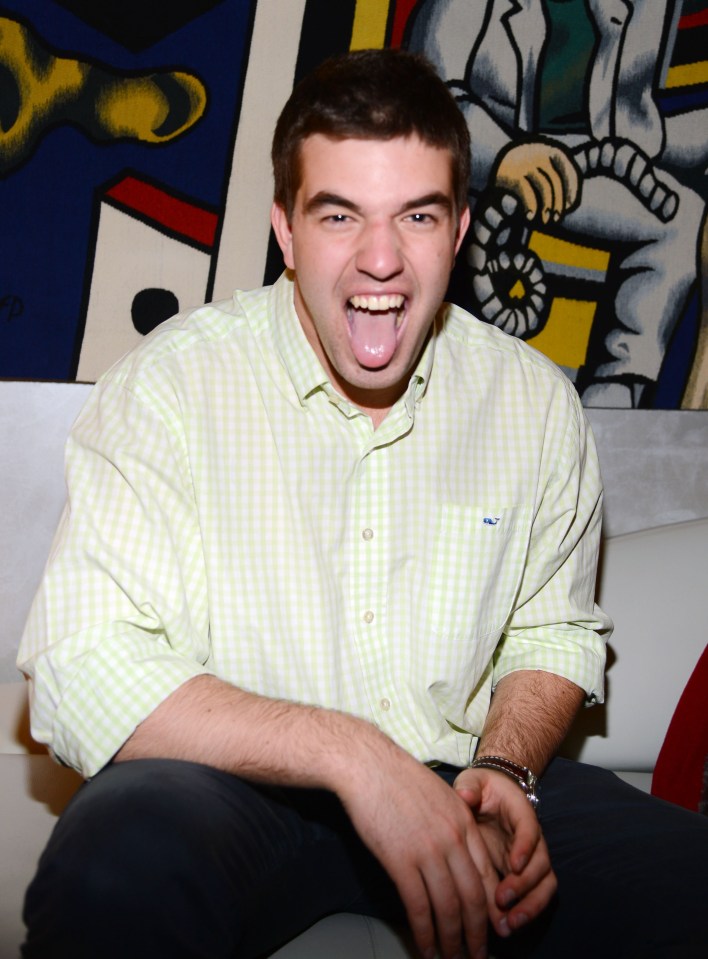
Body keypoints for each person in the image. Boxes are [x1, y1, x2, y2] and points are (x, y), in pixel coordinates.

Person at [17, 48, 708, 959]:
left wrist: (505, 768)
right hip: (228, 787)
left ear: (459, 230)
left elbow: (552, 635)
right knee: (111, 871)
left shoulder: (533, 405)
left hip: (463, 776)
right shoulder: (171, 388)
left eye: (416, 216)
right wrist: (352, 755)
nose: (380, 260)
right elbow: (79, 666)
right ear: (287, 230)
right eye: (339, 214)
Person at [405, 0, 706, 408]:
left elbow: (635, 128)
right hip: (484, 166)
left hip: (587, 170)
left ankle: (615, 398)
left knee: (681, 217)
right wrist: (504, 157)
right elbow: (428, 107)